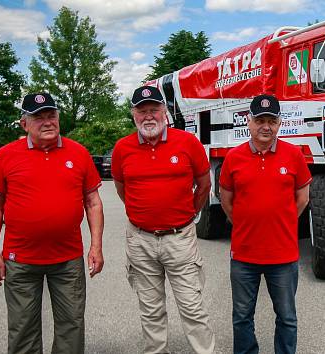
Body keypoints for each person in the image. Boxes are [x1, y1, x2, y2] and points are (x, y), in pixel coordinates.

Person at [0, 92, 104, 354]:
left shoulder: (79, 153)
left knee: (71, 326)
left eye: (52, 116)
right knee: (23, 329)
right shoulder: (6, 156)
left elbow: (93, 202)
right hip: (20, 260)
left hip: (68, 260)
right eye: (39, 117)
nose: (47, 122)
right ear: (24, 124)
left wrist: (96, 246)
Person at [112, 86, 215, 354]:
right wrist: (144, 214)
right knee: (150, 309)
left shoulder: (187, 142)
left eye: (154, 109)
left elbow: (204, 185)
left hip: (180, 239)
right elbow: (123, 189)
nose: (149, 116)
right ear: (133, 114)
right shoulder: (123, 148)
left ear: (165, 112)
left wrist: (186, 215)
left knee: (192, 306)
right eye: (142, 111)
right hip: (140, 240)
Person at [219, 94, 311, 354]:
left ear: (279, 123)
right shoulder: (234, 158)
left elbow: (302, 197)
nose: (266, 126)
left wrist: (280, 223)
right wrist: (244, 224)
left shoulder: (293, 155)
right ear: (248, 122)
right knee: (242, 316)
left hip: (283, 256)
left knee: (287, 317)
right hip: (244, 255)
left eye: (272, 120)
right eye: (260, 120)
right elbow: (226, 199)